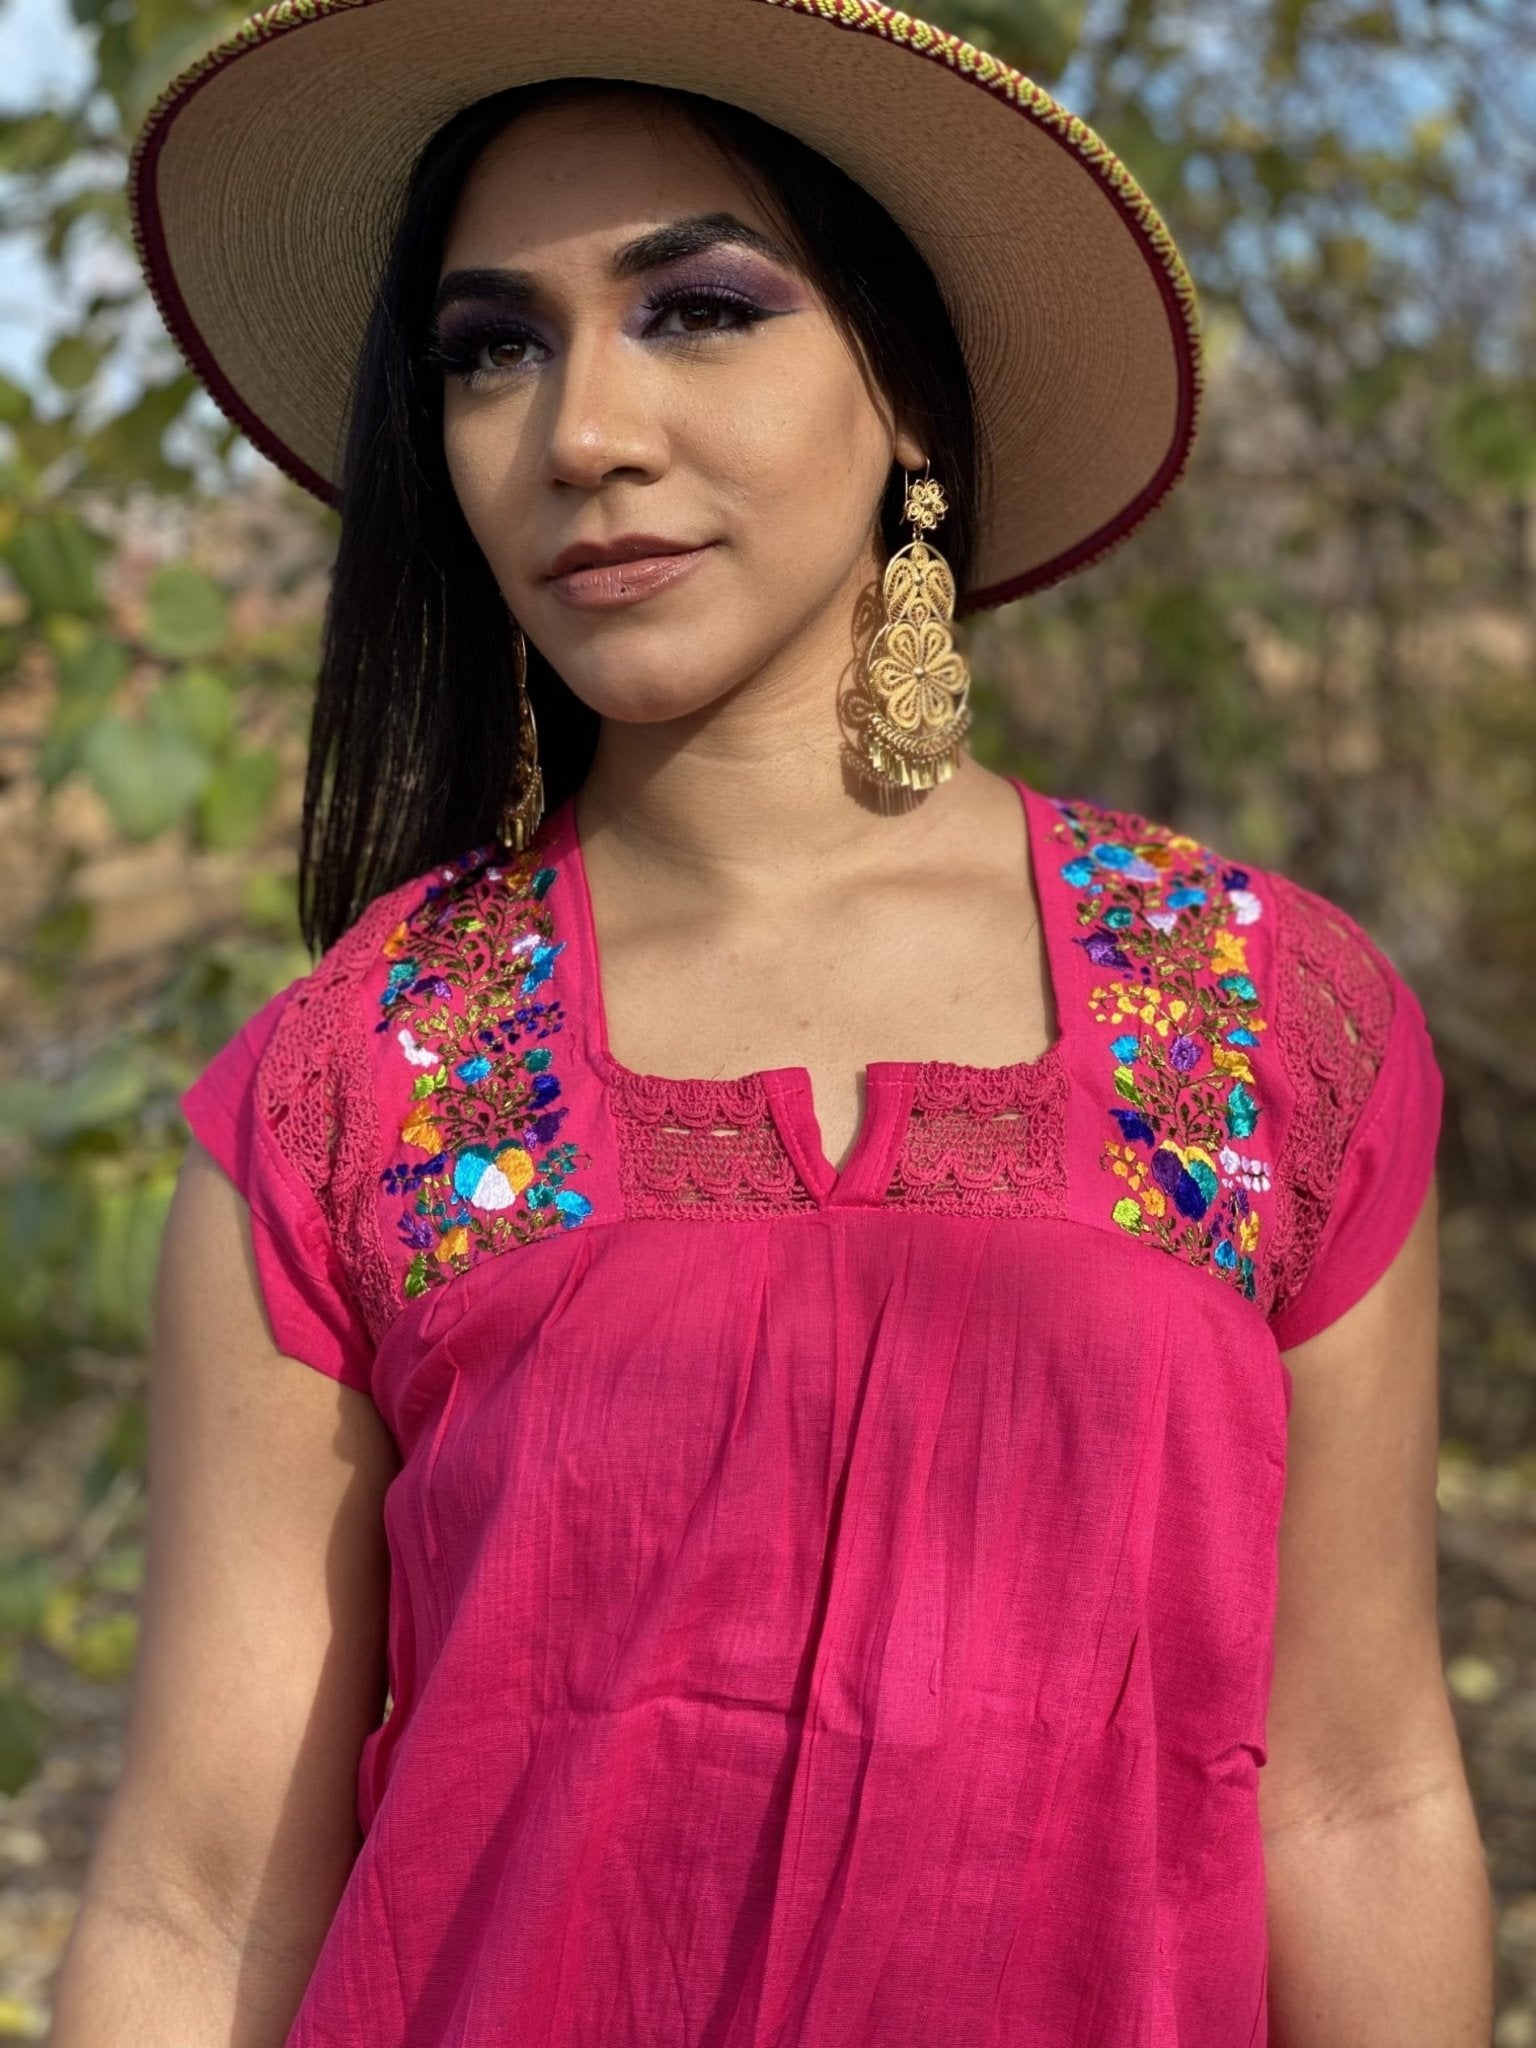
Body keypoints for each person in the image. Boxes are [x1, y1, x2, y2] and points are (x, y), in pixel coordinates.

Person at [54, 1, 1492, 2042]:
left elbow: (1359, 1793)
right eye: (493, 349)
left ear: (909, 390)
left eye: (699, 309)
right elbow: (195, 1905)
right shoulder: (357, 1080)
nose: (579, 433)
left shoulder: (1263, 1016)